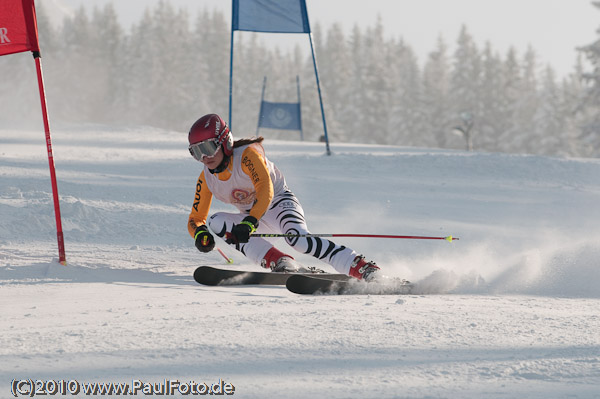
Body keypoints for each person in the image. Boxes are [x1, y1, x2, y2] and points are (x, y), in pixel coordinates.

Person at [186, 113, 380, 280]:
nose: (205, 157)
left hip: (279, 204)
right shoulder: (206, 178)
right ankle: (280, 261)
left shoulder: (247, 156)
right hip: (253, 218)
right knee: (216, 221)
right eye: (197, 152)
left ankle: (361, 267)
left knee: (298, 240)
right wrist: (200, 234)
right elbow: (196, 219)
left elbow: (265, 189)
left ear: (225, 141)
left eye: (209, 148)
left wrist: (250, 221)